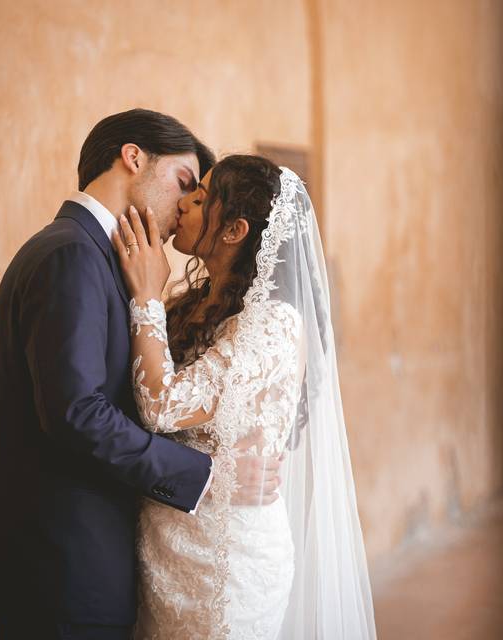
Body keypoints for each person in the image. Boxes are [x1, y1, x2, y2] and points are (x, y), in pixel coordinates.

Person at [0, 109, 281, 639]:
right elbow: (77, 413)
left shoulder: (96, 255)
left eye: (200, 197)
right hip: (64, 565)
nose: (186, 206)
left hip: (97, 562)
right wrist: (208, 477)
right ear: (133, 157)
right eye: (184, 183)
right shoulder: (71, 253)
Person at [113, 155, 377, 639]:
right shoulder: (198, 303)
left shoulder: (274, 325)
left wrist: (146, 296)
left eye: (202, 197)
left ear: (233, 230)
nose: (186, 202)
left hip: (227, 558)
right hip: (167, 546)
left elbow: (162, 406)